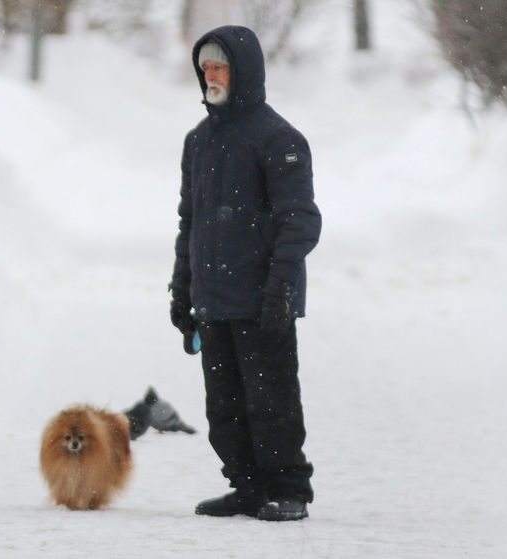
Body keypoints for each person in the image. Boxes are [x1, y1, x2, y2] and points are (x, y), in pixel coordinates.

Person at [169, 26, 322, 522]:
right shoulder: (198, 141)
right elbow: (189, 221)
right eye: (206, 68)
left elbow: (299, 220)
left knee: (271, 400)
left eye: (221, 67)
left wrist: (280, 289)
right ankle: (248, 486)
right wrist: (182, 288)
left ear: (245, 73)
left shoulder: (279, 139)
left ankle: (288, 489)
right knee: (224, 407)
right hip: (213, 300)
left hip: (262, 300)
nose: (211, 76)